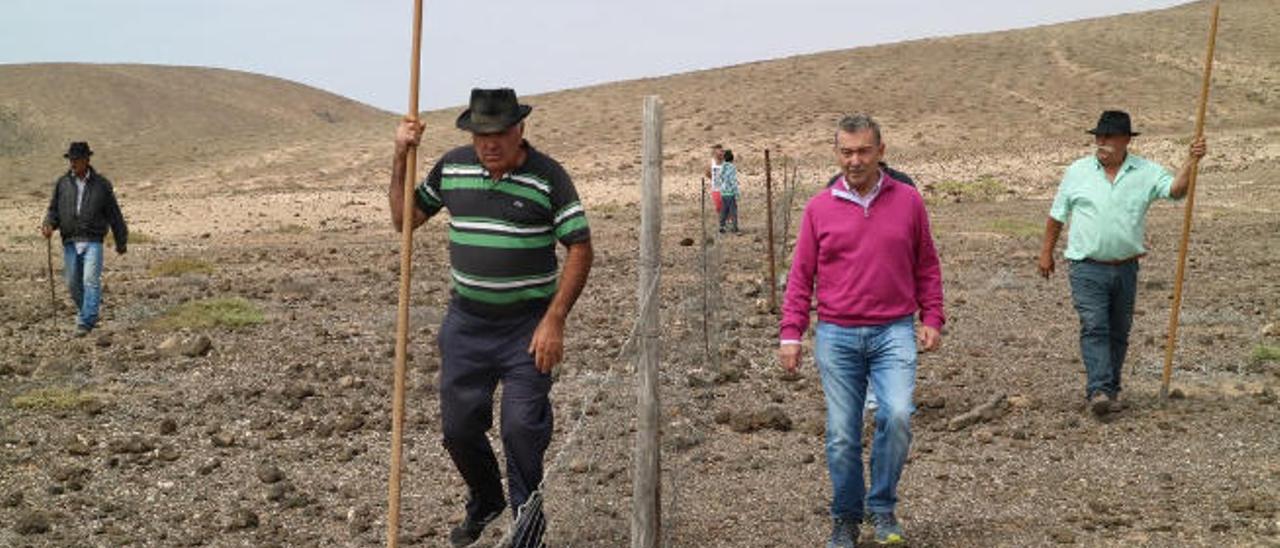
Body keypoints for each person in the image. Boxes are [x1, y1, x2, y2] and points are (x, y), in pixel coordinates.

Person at [389, 88, 592, 548]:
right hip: (467, 323)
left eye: (499, 133)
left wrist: (554, 319)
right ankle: (486, 499)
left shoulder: (548, 177)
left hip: (528, 326)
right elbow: (405, 220)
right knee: (458, 427)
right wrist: (400, 156)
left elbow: (580, 246)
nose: (489, 144)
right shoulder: (452, 167)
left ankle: (527, 531)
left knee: (522, 428)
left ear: (519, 129)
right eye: (481, 134)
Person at [778, 114, 943, 547]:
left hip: (894, 331)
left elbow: (926, 264)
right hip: (837, 334)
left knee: (898, 415)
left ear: (881, 151)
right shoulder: (819, 208)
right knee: (842, 434)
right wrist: (791, 334)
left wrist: (932, 317)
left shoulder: (908, 201)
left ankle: (883, 507)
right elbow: (801, 276)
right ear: (837, 154)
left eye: (864, 151)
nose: (855, 160)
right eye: (847, 152)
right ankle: (846, 517)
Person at [1038, 110, 1206, 416]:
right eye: (1098, 137)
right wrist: (1046, 252)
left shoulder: (1145, 171)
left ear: (1126, 140)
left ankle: (1110, 390)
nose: (1101, 142)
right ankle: (1099, 389)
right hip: (1086, 266)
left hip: (1127, 266)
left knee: (1118, 330)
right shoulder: (1077, 171)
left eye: (1108, 137)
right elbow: (1057, 215)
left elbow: (1176, 191)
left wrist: (1191, 161)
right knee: (1094, 325)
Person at [41, 141, 128, 337]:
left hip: (93, 239)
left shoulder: (102, 185)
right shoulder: (62, 183)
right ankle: (89, 310)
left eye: (77, 160)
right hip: (70, 240)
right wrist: (48, 224)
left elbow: (114, 214)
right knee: (72, 283)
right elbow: (54, 210)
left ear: (87, 160)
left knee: (90, 280)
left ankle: (86, 321)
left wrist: (121, 240)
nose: (73, 163)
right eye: (71, 159)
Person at [716, 149, 740, 233]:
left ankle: (722, 226)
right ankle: (735, 228)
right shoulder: (732, 167)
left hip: (723, 192)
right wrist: (737, 193)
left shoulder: (722, 167)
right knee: (733, 211)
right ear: (732, 158)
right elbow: (732, 180)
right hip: (730, 192)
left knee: (724, 210)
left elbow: (719, 178)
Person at [704, 144, 725, 214]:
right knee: (719, 207)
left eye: (722, 151)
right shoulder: (711, 163)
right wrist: (714, 179)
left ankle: (729, 221)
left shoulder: (726, 162)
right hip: (716, 189)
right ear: (714, 153)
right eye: (720, 152)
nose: (721, 153)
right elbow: (707, 173)